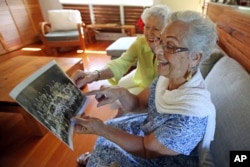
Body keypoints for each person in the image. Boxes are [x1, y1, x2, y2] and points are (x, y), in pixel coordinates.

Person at [71, 10, 217, 167]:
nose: (158, 50)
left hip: (164, 158)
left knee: (105, 140)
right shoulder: (166, 77)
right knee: (107, 133)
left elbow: (147, 149)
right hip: (150, 133)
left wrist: (102, 129)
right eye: (161, 41)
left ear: (195, 57)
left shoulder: (190, 117)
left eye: (170, 46)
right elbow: (139, 104)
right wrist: (121, 92)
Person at [71, 5, 171, 95]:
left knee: (119, 100)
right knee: (106, 88)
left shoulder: (171, 50)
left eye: (156, 29)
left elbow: (163, 82)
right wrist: (95, 74)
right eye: (147, 27)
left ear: (166, 30)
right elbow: (122, 61)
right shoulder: (140, 42)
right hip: (139, 77)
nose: (149, 33)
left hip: (156, 90)